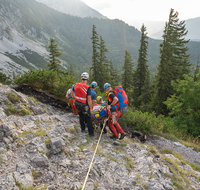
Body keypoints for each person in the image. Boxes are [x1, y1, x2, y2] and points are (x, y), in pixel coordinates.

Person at [71, 72, 94, 136]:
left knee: (80, 116)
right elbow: (89, 99)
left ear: (81, 78)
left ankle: (82, 129)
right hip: (84, 105)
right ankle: (91, 132)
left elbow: (71, 92)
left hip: (77, 103)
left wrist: (74, 98)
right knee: (88, 118)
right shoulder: (87, 87)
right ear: (87, 79)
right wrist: (91, 108)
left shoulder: (75, 85)